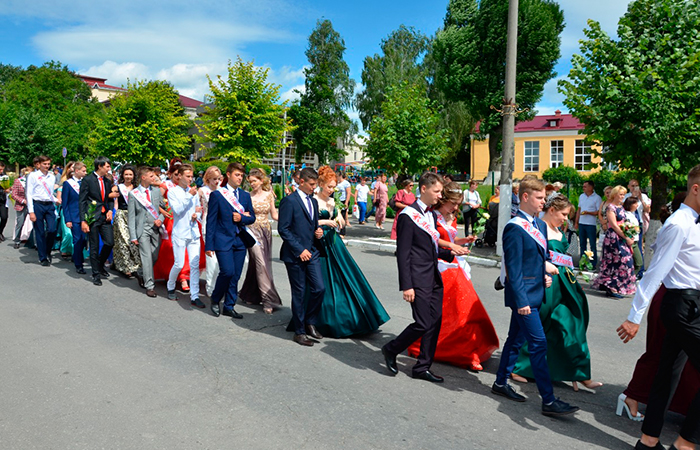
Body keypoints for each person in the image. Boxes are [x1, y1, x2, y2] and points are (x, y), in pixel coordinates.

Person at [617, 164, 700, 450]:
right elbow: (655, 273)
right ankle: (686, 443)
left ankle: (648, 441)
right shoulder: (679, 224)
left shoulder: (695, 222)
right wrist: (634, 316)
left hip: (692, 305)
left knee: (667, 374)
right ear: (696, 189)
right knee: (668, 372)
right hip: (682, 306)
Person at [491, 176, 579, 417]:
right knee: (539, 344)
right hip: (524, 299)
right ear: (526, 197)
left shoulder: (539, 225)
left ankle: (500, 383)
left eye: (544, 198)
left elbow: (537, 260)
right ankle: (548, 400)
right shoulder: (514, 227)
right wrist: (521, 302)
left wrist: (543, 274)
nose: (544, 202)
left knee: (515, 340)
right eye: (539, 198)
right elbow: (514, 268)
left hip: (536, 291)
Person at [512, 194, 602, 392]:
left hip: (566, 284)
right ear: (551, 210)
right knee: (541, 325)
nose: (566, 219)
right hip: (548, 283)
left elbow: (568, 255)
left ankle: (579, 372)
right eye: (563, 214)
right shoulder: (536, 228)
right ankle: (520, 367)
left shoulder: (559, 230)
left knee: (572, 325)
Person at [407, 181, 498, 371]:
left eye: (458, 204)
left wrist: (463, 241)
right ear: (443, 200)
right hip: (439, 265)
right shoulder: (431, 216)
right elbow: (432, 239)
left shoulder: (451, 216)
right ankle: (429, 347)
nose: (456, 208)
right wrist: (451, 246)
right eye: (453, 203)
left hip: (454, 263)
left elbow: (450, 237)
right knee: (448, 313)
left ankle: (469, 350)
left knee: (464, 311)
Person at [381, 172, 462, 383]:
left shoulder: (431, 215)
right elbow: (404, 253)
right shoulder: (408, 216)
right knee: (423, 322)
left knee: (434, 322)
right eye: (436, 191)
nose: (439, 196)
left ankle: (422, 367)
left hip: (433, 275)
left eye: (441, 192)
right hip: (417, 279)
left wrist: (453, 252)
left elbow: (430, 248)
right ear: (424, 189)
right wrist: (406, 285)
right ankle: (391, 348)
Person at [291, 166, 390, 338]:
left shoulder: (331, 201)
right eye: (329, 186)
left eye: (334, 186)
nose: (332, 190)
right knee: (321, 284)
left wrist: (338, 218)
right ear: (320, 184)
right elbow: (308, 221)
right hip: (318, 244)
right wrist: (323, 222)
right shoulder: (312, 199)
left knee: (347, 279)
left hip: (334, 243)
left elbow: (339, 219)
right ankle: (316, 320)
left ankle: (352, 317)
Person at [278, 167, 325, 346]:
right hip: (295, 254)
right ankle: (299, 332)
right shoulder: (289, 201)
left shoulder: (312, 201)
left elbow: (312, 225)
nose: (314, 188)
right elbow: (284, 229)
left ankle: (310, 321)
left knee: (319, 288)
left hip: (311, 251)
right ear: (301, 182)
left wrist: (317, 231)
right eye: (312, 185)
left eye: (316, 185)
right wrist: (299, 250)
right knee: (299, 293)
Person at [205, 162, 256, 320]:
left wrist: (242, 218)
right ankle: (215, 298)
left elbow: (252, 218)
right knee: (227, 271)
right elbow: (211, 222)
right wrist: (209, 245)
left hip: (240, 240)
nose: (240, 178)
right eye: (237, 175)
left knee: (236, 275)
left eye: (241, 175)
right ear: (228, 175)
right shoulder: (218, 195)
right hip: (223, 240)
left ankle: (229, 306)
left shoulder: (245, 196)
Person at [238, 168, 282, 314]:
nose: (252, 184)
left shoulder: (269, 196)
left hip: (265, 231)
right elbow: (242, 213)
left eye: (254, 181)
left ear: (261, 181)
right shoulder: (246, 196)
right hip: (251, 232)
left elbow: (274, 215)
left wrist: (290, 219)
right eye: (250, 182)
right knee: (260, 263)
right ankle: (268, 299)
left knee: (257, 264)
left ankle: (249, 293)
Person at [166, 164, 204, 309]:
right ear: (180, 176)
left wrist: (197, 214)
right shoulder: (173, 192)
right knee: (179, 264)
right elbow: (177, 210)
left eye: (191, 176)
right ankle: (170, 285)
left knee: (194, 265)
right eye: (187, 176)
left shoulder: (192, 192)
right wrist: (189, 196)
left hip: (193, 232)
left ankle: (194, 295)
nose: (190, 179)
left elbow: (197, 209)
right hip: (180, 232)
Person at [592, 185, 636, 298]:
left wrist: (629, 234)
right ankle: (611, 286)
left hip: (621, 237)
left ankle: (616, 286)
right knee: (619, 262)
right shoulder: (610, 207)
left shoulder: (621, 207)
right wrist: (625, 237)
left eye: (623, 194)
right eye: (620, 194)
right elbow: (614, 226)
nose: (622, 197)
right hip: (613, 238)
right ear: (615, 194)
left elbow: (624, 224)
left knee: (626, 262)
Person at [128, 166, 165, 298]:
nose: (154, 178)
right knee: (147, 257)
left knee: (154, 255)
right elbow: (131, 216)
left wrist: (160, 219)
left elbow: (164, 209)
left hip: (155, 228)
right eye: (151, 176)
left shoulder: (156, 191)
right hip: (142, 229)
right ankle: (150, 286)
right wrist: (133, 235)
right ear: (143, 177)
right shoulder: (134, 194)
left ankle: (141, 272)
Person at [79, 156, 114, 285]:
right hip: (92, 217)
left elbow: (109, 198)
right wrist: (83, 220)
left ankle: (99, 263)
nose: (109, 169)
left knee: (109, 242)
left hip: (105, 216)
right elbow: (82, 201)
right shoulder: (87, 180)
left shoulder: (107, 181)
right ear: (99, 166)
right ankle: (96, 274)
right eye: (107, 166)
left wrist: (110, 210)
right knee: (93, 246)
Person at [27, 155, 60, 266]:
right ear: (39, 164)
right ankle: (42, 257)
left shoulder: (51, 177)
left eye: (48, 164)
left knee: (52, 229)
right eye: (44, 164)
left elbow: (49, 193)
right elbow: (29, 193)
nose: (47, 166)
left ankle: (47, 250)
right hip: (38, 205)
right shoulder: (33, 176)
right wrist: (31, 211)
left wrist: (56, 200)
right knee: (40, 231)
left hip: (49, 205)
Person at [112, 165, 141, 278]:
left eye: (130, 174)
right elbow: (107, 196)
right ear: (122, 175)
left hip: (133, 216)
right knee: (123, 241)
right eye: (126, 174)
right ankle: (125, 267)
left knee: (133, 242)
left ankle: (134, 266)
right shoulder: (118, 187)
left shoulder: (137, 188)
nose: (128, 177)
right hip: (121, 215)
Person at [199, 166, 222, 297]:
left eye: (219, 179)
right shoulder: (202, 191)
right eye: (214, 179)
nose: (217, 181)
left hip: (222, 225)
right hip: (208, 224)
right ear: (208, 179)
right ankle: (210, 287)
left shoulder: (222, 191)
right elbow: (195, 206)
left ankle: (218, 285)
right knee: (211, 257)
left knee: (221, 258)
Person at [62, 162, 88, 274]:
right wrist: (67, 219)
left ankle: (77, 255)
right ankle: (78, 264)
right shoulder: (68, 184)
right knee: (78, 239)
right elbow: (65, 203)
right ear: (76, 171)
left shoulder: (85, 183)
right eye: (83, 171)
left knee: (84, 239)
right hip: (74, 216)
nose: (85, 173)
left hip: (85, 216)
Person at [575, 180, 602, 269]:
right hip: (582, 223)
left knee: (592, 244)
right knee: (582, 244)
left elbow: (598, 212)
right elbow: (579, 209)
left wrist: (588, 213)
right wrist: (576, 222)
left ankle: (593, 264)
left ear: (591, 187)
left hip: (591, 224)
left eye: (585, 186)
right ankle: (582, 262)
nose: (583, 188)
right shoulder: (581, 196)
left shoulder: (597, 198)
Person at [10, 167, 31, 249]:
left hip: (31, 205)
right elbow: (14, 194)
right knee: (20, 223)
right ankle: (17, 240)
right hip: (21, 206)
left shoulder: (32, 182)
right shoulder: (18, 181)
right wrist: (22, 201)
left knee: (35, 224)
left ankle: (35, 242)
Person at [623, 197, 644, 274]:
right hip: (630, 241)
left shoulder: (633, 214)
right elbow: (626, 228)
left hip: (635, 241)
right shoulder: (626, 215)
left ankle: (630, 277)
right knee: (634, 263)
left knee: (639, 263)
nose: (637, 205)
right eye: (635, 203)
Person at [0, 162, 9, 241]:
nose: (1, 171)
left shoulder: (4, 176)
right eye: (0, 169)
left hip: (3, 200)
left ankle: (0, 232)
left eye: (2, 169)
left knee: (4, 217)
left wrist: (8, 189)